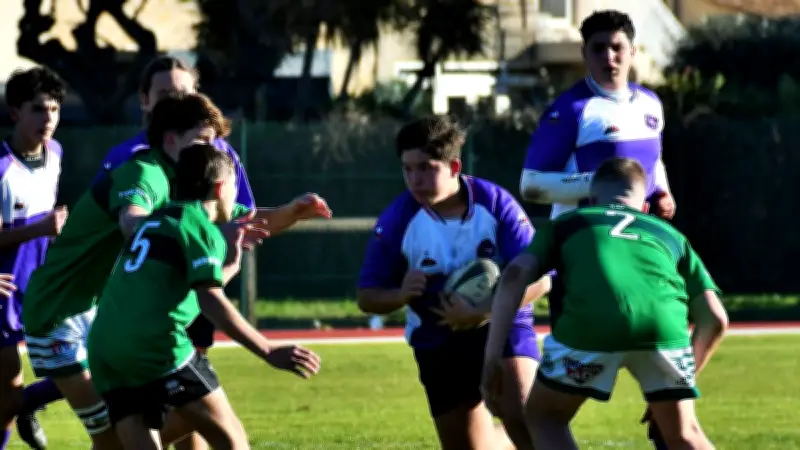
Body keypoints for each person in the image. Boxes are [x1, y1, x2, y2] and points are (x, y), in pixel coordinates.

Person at [22, 92, 330, 449]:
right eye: (203, 140)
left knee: (139, 434)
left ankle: (29, 402)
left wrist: (291, 212)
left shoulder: (187, 186)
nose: (213, 150)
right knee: (111, 440)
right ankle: (25, 403)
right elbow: (132, 221)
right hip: (58, 311)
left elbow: (237, 220)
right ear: (170, 139)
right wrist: (196, 238)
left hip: (107, 316)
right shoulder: (147, 172)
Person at [483, 157, 729, 450]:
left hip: (590, 326)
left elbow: (514, 275)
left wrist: (491, 357)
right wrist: (681, 381)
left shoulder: (568, 223)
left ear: (590, 200)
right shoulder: (671, 236)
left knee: (544, 417)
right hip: (664, 329)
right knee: (684, 434)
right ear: (645, 208)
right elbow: (715, 319)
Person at [88, 144, 321, 450]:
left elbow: (179, 285)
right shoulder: (198, 226)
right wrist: (268, 349)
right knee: (232, 440)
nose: (236, 196)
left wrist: (229, 268)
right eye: (235, 187)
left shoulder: (155, 221)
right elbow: (210, 300)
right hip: (154, 345)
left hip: (104, 347)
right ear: (220, 187)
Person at [518, 11, 676, 446]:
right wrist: (601, 186)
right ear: (584, 54)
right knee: (555, 404)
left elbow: (654, 162)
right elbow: (531, 183)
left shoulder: (650, 104)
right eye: (598, 48)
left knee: (667, 393)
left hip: (643, 257)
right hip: (584, 262)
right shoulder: (571, 109)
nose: (609, 57)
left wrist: (662, 191)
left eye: (617, 47)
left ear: (633, 50)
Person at [357, 116, 547, 450]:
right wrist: (400, 294)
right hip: (438, 339)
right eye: (407, 169)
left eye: (426, 168)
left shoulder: (495, 203)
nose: (415, 179)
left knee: (522, 415)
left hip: (502, 326)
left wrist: (483, 310)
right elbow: (366, 297)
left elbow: (541, 280)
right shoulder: (397, 220)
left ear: (454, 167)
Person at [0, 67, 68, 450]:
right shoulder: (1, 167)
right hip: (4, 292)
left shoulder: (55, 153)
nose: (49, 119)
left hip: (41, 289)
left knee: (87, 363)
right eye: (39, 109)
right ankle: (23, 406)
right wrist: (40, 228)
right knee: (6, 397)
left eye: (55, 109)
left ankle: (29, 404)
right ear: (15, 113)